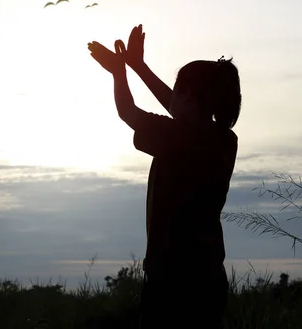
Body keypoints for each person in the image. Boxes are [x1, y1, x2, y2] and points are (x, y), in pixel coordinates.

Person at [87, 24, 241, 329]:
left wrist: (120, 73)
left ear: (191, 97)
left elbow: (127, 111)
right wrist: (139, 67)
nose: (172, 99)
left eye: (178, 90)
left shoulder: (179, 136)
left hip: (172, 280)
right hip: (207, 276)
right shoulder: (223, 139)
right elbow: (178, 110)